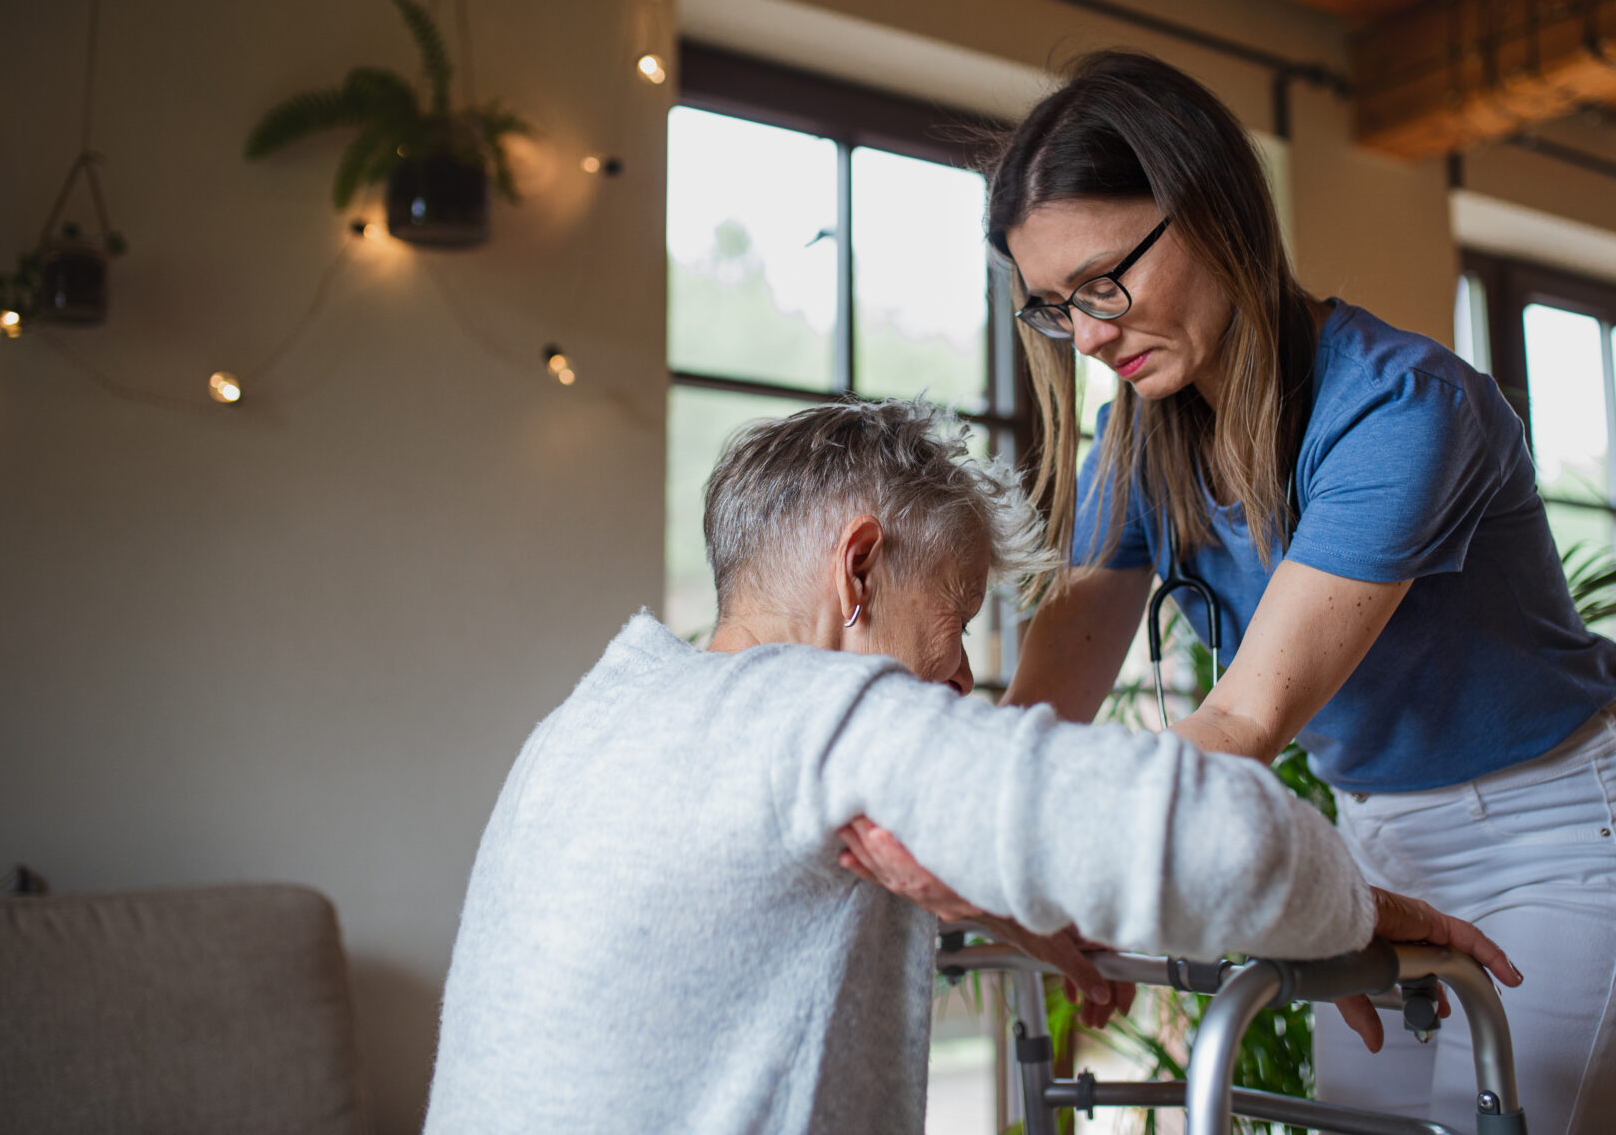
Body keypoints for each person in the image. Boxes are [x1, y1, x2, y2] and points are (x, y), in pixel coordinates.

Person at [847, 51, 1616, 1135]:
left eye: (1107, 281)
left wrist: (1019, 849)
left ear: (1217, 215)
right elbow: (1046, 715)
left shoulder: (1400, 410)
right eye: (1056, 307)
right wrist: (954, 839)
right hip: (1376, 837)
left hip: (1554, 833)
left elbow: (1243, 717)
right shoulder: (1135, 441)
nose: (1091, 335)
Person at [422, 398, 1516, 1135]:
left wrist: (997, 889)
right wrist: (1353, 912)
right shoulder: (819, 715)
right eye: (952, 625)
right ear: (860, 571)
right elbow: (1232, 840)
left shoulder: (601, 715)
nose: (957, 688)